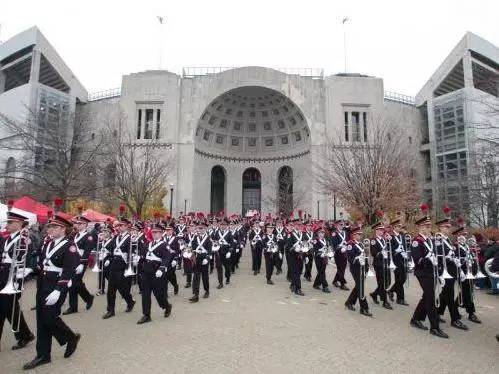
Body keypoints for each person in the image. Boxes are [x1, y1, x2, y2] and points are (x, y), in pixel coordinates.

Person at [23, 214, 81, 370]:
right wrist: (31, 270)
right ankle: (43, 355)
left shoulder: (69, 246)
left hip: (56, 286)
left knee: (49, 318)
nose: (50, 229)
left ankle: (70, 338)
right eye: (50, 227)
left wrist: (59, 290)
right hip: (43, 284)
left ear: (63, 229)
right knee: (41, 320)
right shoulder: (47, 243)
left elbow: (69, 270)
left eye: (54, 227)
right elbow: (42, 263)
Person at [409, 209, 448, 338]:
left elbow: (437, 256)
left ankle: (415, 319)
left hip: (432, 272)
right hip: (423, 273)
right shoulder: (416, 241)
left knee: (426, 296)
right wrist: (428, 259)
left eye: (429, 226)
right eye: (426, 226)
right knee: (430, 298)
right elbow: (417, 260)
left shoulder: (430, 240)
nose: (429, 227)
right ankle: (435, 327)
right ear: (420, 227)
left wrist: (441, 273)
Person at [0, 211, 35, 352]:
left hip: (13, 279)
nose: (7, 225)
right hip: (3, 277)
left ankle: (25, 335)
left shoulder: (23, 239)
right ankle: (25, 335)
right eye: (7, 222)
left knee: (3, 309)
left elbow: (28, 257)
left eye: (10, 222)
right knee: (11, 310)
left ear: (20, 224)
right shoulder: (9, 238)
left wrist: (26, 270)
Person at [434, 218, 468, 330]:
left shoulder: (447, 239)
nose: (448, 229)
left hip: (451, 269)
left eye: (449, 227)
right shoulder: (438, 238)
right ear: (440, 227)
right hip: (444, 270)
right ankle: (455, 318)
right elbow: (437, 253)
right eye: (445, 227)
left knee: (445, 294)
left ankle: (436, 313)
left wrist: (457, 264)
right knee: (449, 294)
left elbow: (450, 253)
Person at [137, 223, 173, 324]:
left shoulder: (165, 245)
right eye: (153, 232)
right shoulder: (148, 244)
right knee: (145, 294)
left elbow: (167, 258)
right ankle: (146, 315)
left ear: (161, 233)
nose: (154, 234)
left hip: (157, 273)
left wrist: (161, 269)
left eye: (156, 232)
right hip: (146, 272)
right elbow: (143, 256)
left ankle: (167, 306)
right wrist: (139, 259)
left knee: (159, 295)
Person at [102, 218, 136, 319]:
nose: (119, 227)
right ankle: (110, 310)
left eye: (121, 226)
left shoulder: (130, 238)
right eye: (118, 226)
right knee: (111, 289)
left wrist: (128, 267)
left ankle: (130, 302)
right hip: (114, 265)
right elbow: (110, 250)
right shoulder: (115, 238)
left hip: (123, 266)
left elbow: (132, 253)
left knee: (123, 290)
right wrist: (107, 257)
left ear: (126, 227)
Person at [63, 215, 95, 315]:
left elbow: (87, 251)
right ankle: (88, 298)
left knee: (74, 283)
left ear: (85, 225)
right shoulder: (75, 235)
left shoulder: (88, 236)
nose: (78, 225)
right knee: (76, 283)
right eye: (77, 223)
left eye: (80, 223)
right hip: (73, 261)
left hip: (81, 261)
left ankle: (73, 307)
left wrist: (82, 263)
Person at [344, 225, 372, 316]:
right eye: (358, 234)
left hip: (363, 268)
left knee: (358, 286)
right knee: (361, 288)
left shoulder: (361, 244)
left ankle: (349, 302)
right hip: (355, 268)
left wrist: (367, 268)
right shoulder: (350, 244)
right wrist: (357, 257)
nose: (359, 236)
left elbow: (365, 256)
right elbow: (350, 258)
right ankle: (364, 308)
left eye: (360, 234)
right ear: (353, 235)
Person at [369, 223, 392, 310]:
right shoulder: (373, 240)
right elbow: (374, 253)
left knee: (388, 281)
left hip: (386, 263)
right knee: (382, 282)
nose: (381, 231)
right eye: (379, 230)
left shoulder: (384, 239)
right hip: (378, 264)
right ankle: (385, 301)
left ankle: (374, 294)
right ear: (376, 230)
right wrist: (381, 254)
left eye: (382, 230)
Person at [387, 219, 409, 305]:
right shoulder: (390, 237)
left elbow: (405, 246)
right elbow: (389, 249)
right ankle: (400, 299)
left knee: (403, 278)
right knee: (399, 278)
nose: (400, 228)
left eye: (400, 226)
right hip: (395, 260)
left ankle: (391, 290)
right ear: (394, 227)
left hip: (402, 259)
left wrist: (405, 253)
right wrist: (396, 250)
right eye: (398, 226)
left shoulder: (402, 236)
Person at [189, 224, 212, 303]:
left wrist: (207, 258)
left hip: (204, 258)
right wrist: (192, 254)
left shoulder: (208, 238)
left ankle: (207, 291)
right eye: (199, 228)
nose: (200, 230)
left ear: (205, 229)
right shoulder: (195, 237)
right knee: (196, 277)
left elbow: (210, 250)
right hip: (197, 258)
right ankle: (196, 294)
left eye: (202, 228)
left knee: (205, 277)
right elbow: (193, 247)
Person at [312, 227, 331, 293]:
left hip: (325, 257)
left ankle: (316, 284)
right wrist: (320, 254)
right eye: (320, 232)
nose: (321, 234)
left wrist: (330, 252)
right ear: (317, 233)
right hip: (318, 258)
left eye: (323, 233)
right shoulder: (315, 240)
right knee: (322, 272)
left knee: (321, 271)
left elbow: (329, 247)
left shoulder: (326, 240)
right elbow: (315, 250)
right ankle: (325, 286)